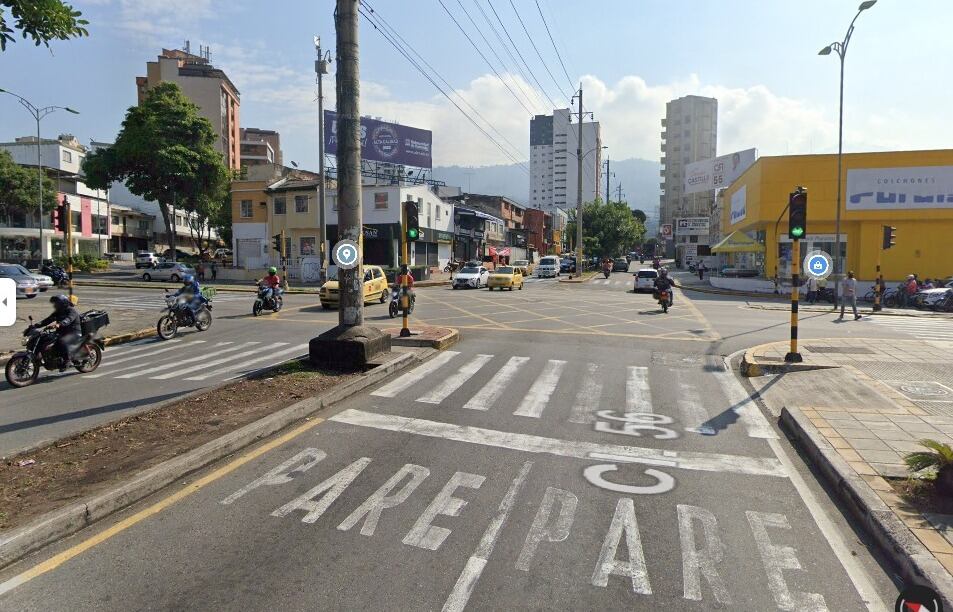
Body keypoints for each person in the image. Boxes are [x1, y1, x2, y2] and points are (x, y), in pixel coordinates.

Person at [35, 294, 82, 371]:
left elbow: (68, 319)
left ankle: (67, 361)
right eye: (55, 303)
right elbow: (48, 320)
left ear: (63, 303)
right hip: (62, 332)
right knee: (46, 339)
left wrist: (59, 324)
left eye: (57, 303)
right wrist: (35, 326)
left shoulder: (71, 311)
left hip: (74, 332)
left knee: (62, 341)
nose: (55, 305)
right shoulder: (58, 312)